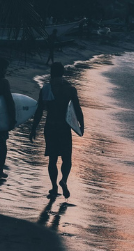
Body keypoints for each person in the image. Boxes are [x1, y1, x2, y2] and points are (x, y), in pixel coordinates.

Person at [30, 63, 85, 198]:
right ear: (63, 73)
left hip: (50, 126)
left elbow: (39, 111)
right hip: (64, 128)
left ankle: (54, 187)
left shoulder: (46, 89)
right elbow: (77, 109)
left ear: (51, 73)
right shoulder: (70, 89)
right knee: (67, 159)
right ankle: (64, 181)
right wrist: (81, 124)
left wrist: (33, 128)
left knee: (52, 159)